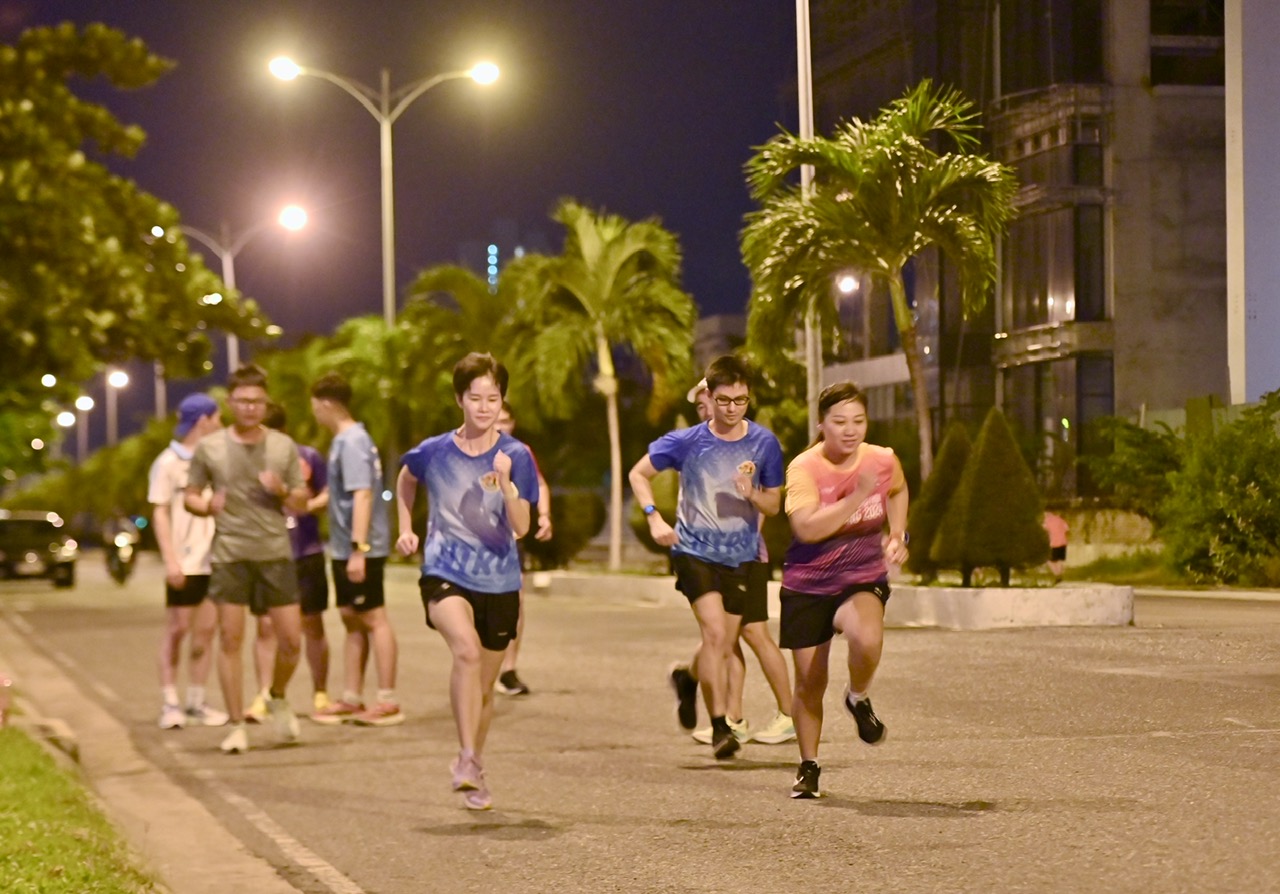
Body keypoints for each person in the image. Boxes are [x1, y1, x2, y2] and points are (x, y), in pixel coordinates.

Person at [395, 353, 539, 810]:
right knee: (466, 651)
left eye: (492, 398)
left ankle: (473, 766)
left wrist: (510, 486)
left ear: (502, 401)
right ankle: (465, 757)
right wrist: (406, 525)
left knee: (482, 687)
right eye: (474, 398)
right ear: (459, 399)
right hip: (445, 571)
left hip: (499, 580)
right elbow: (405, 479)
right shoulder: (435, 450)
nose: (483, 407)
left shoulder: (516, 455)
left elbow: (522, 528)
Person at [628, 355, 785, 760]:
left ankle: (687, 677)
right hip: (693, 550)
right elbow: (638, 474)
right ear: (709, 398)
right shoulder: (687, 441)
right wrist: (653, 518)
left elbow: (774, 505)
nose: (732, 408)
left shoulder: (764, 443)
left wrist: (752, 494)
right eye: (724, 400)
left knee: (723, 639)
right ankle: (720, 727)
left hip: (741, 556)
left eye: (741, 400)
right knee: (716, 634)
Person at [780, 381, 909, 798]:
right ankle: (809, 765)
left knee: (867, 637)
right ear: (821, 424)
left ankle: (858, 697)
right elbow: (806, 527)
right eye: (839, 422)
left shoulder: (881, 459)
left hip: (861, 575)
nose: (850, 430)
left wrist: (898, 533)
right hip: (808, 582)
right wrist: (855, 496)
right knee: (810, 681)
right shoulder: (804, 468)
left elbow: (898, 488)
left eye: (858, 420)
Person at [185, 364, 309, 755]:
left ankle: (277, 694)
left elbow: (303, 502)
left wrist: (283, 489)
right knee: (231, 639)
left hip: (274, 551)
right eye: (243, 401)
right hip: (230, 554)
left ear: (266, 403)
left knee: (291, 640)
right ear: (230, 402)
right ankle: (237, 722)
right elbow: (190, 494)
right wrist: (206, 506)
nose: (251, 408)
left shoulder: (281, 446)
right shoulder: (211, 447)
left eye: (257, 401)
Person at [682, 379, 795, 747]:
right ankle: (733, 717)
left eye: (709, 404)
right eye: (702, 406)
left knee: (751, 635)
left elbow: (762, 507)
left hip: (747, 558)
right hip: (719, 558)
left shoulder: (753, 449)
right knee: (727, 640)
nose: (708, 411)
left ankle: (788, 714)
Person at [310, 373, 403, 726]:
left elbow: (363, 494)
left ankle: (387, 699)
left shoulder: (352, 442)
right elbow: (340, 491)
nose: (315, 413)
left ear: (327, 404)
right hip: (343, 545)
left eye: (315, 406)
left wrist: (358, 549)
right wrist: (308, 504)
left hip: (360, 546)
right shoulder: (343, 441)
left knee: (373, 618)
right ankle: (351, 697)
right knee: (351, 618)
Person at [247, 402, 333, 723]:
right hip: (266, 554)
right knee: (265, 627)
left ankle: (320, 692)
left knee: (313, 624)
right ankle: (264, 692)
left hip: (305, 550)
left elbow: (328, 493)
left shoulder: (308, 456)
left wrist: (307, 506)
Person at [148, 393, 229, 730]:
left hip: (216, 560)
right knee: (178, 630)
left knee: (206, 633)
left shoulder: (216, 459)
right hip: (184, 563)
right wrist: (171, 560)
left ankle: (197, 700)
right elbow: (160, 512)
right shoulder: (167, 462)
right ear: (203, 421)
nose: (221, 425)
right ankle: (170, 702)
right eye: (218, 418)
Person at [493, 400, 552, 697]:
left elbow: (540, 485)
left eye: (505, 420)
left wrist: (544, 515)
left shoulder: (520, 452)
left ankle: (508, 670)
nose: (500, 425)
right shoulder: (469, 448)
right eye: (496, 420)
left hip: (510, 540)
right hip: (476, 541)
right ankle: (482, 664)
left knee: (515, 603)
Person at [1043, 511, 1069, 583]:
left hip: (1053, 543)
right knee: (1060, 560)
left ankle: (1057, 575)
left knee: (1049, 560)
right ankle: (1060, 574)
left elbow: (1044, 530)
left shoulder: (1047, 521)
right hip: (1063, 542)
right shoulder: (1060, 520)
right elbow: (1067, 529)